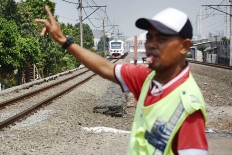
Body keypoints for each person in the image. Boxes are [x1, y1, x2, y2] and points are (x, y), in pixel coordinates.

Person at [35, 6, 208, 155]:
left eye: (162, 39)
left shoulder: (188, 108)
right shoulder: (148, 79)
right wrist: (64, 41)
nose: (151, 44)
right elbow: (106, 67)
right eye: (149, 37)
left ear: (184, 46)